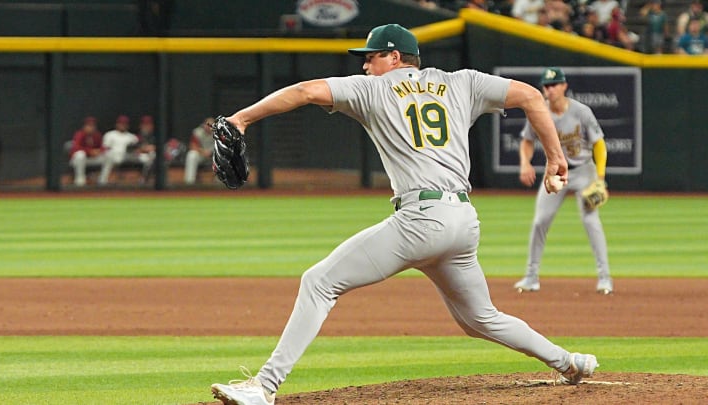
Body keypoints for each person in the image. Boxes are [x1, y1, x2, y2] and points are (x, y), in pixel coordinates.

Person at [209, 24, 598, 405]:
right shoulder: (463, 82)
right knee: (481, 318)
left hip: (420, 219)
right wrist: (556, 159)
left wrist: (241, 119)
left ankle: (263, 387)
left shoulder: (374, 88)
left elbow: (304, 91)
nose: (364, 66)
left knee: (318, 282)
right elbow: (531, 96)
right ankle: (569, 363)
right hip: (462, 221)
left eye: (371, 57)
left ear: (394, 57)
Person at [513, 67, 614, 295]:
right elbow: (527, 141)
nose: (549, 89)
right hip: (556, 173)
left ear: (564, 86)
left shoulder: (581, 111)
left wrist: (600, 177)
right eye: (546, 86)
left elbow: (599, 144)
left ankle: (605, 278)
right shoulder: (539, 111)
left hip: (583, 170)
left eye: (554, 84)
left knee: (590, 221)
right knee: (540, 221)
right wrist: (525, 163)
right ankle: (531, 277)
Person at [98, 115, 148, 185]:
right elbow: (104, 148)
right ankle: (102, 180)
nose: (123, 125)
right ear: (117, 124)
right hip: (115, 156)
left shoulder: (132, 136)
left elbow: (138, 148)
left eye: (125, 124)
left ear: (127, 125)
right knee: (109, 155)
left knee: (147, 158)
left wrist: (137, 150)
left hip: (129, 155)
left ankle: (143, 180)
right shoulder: (110, 134)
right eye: (121, 123)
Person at [68, 116, 103, 186]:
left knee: (109, 156)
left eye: (93, 126)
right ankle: (80, 179)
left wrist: (99, 151)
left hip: (91, 159)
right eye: (89, 126)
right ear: (84, 126)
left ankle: (103, 180)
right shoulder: (79, 134)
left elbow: (103, 147)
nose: (91, 128)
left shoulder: (97, 135)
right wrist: (90, 151)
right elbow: (76, 148)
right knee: (80, 154)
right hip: (77, 160)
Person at [184, 117, 215, 184]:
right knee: (191, 155)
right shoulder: (197, 132)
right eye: (208, 125)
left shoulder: (219, 133)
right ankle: (189, 182)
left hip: (214, 156)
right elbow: (192, 146)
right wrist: (203, 152)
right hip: (201, 155)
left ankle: (221, 184)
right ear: (204, 125)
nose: (209, 127)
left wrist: (211, 153)